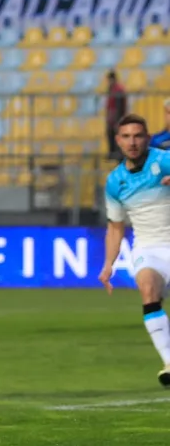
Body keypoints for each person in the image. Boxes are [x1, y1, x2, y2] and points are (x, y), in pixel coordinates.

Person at [98, 114, 170, 387]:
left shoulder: (162, 160)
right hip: (148, 248)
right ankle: (169, 361)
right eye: (126, 137)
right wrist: (108, 265)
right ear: (117, 141)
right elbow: (115, 227)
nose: (132, 142)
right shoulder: (115, 181)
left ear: (147, 138)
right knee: (148, 290)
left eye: (138, 136)